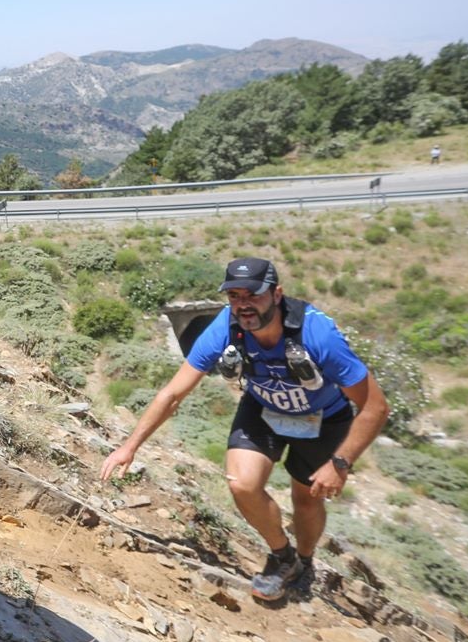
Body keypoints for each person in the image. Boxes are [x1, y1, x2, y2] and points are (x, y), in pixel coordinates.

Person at [99, 257, 389, 601]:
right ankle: (283, 556)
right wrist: (130, 446)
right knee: (242, 484)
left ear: (277, 294)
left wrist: (340, 464)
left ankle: (306, 560)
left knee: (306, 500)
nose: (243, 304)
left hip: (324, 418)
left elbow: (375, 406)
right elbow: (173, 393)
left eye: (253, 294)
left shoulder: (317, 334)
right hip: (262, 409)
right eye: (234, 296)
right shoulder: (226, 326)